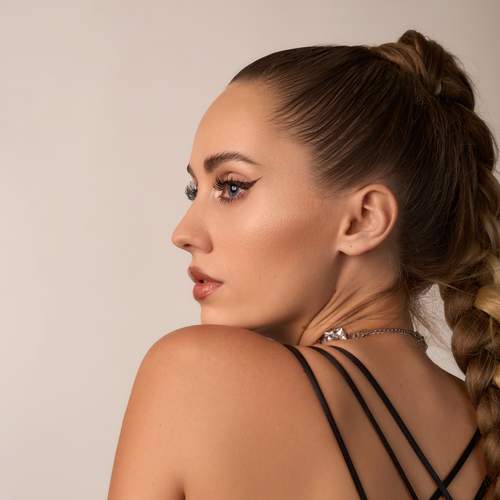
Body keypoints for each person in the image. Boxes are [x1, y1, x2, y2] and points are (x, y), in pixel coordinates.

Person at [107, 29, 500, 499]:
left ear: (363, 220)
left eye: (231, 186)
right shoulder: (485, 424)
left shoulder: (194, 373)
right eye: (195, 190)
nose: (183, 233)